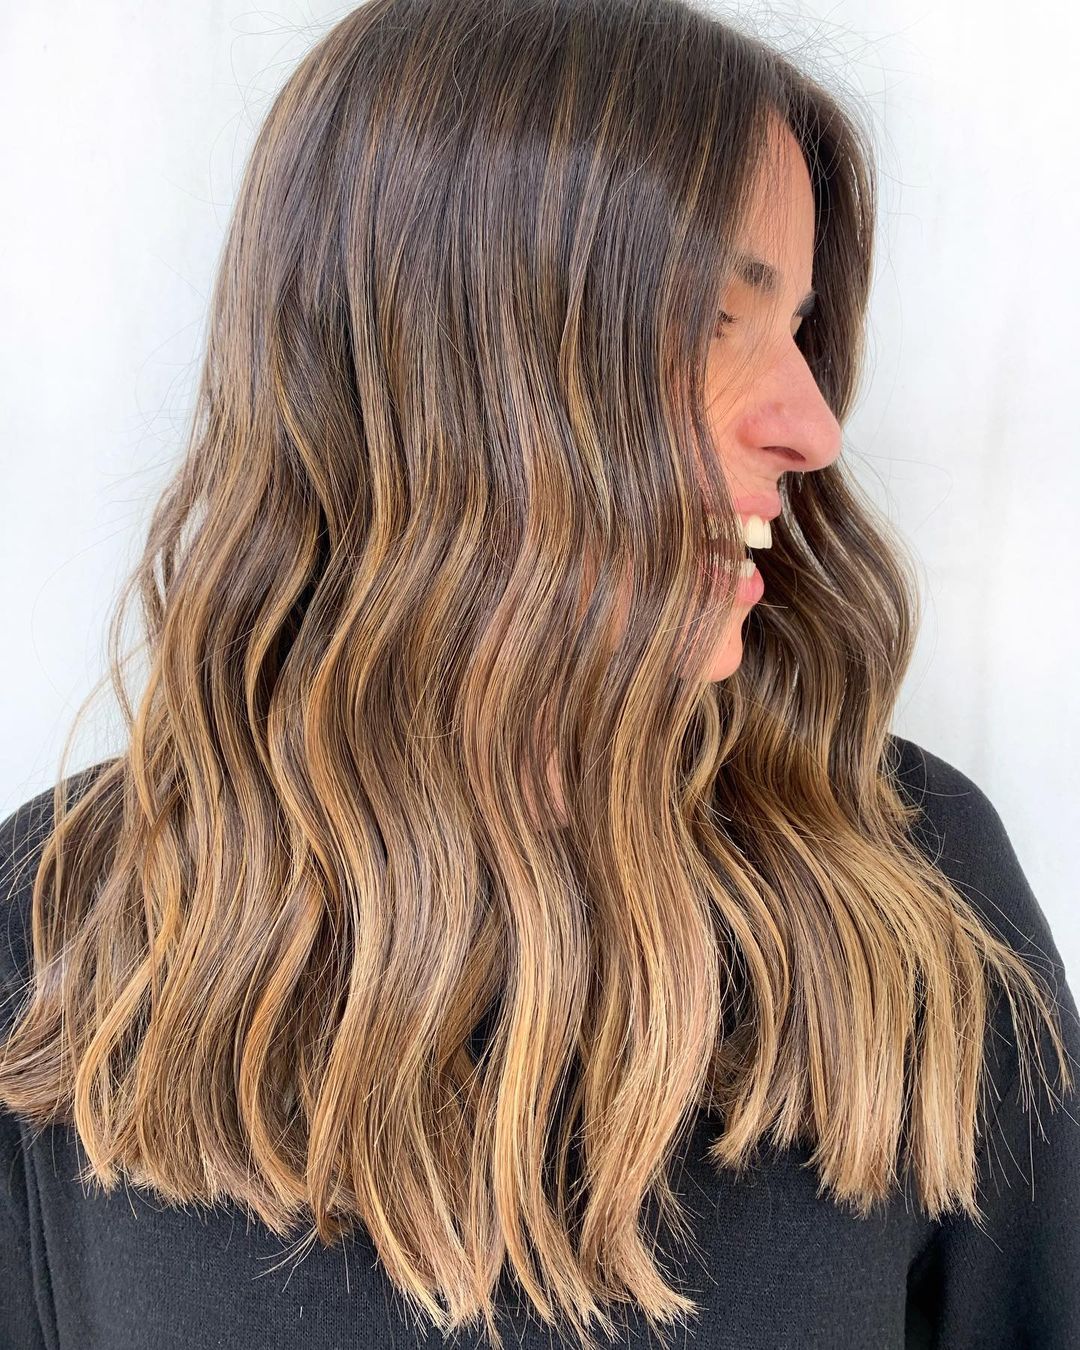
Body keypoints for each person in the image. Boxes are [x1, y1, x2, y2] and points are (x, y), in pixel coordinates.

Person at [2, 0, 1077, 1346]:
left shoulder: (917, 886)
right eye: (715, 316)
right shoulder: (59, 926)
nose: (812, 425)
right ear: (449, 367)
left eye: (800, 327)